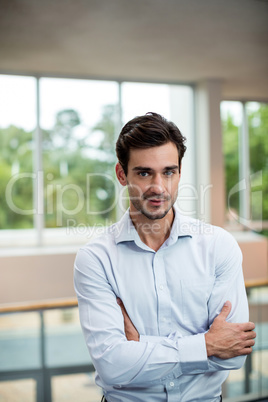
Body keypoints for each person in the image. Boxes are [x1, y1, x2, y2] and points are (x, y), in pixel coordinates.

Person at [74, 112, 256, 402]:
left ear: (180, 173)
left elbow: (232, 357)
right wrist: (207, 345)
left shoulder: (218, 246)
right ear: (122, 175)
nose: (158, 187)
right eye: (144, 173)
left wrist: (141, 345)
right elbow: (112, 366)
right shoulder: (96, 259)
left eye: (168, 171)